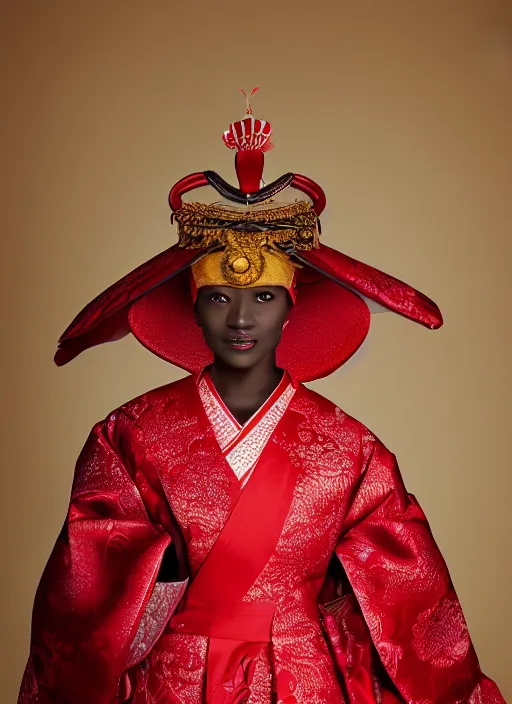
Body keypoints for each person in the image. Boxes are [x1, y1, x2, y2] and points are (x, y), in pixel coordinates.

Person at [18, 90, 505, 704]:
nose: (241, 317)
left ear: (291, 310)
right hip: (174, 679)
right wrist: (162, 579)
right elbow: (84, 588)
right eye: (218, 297)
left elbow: (405, 593)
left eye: (264, 298)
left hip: (303, 678)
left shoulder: (350, 448)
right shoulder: (128, 434)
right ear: (192, 307)